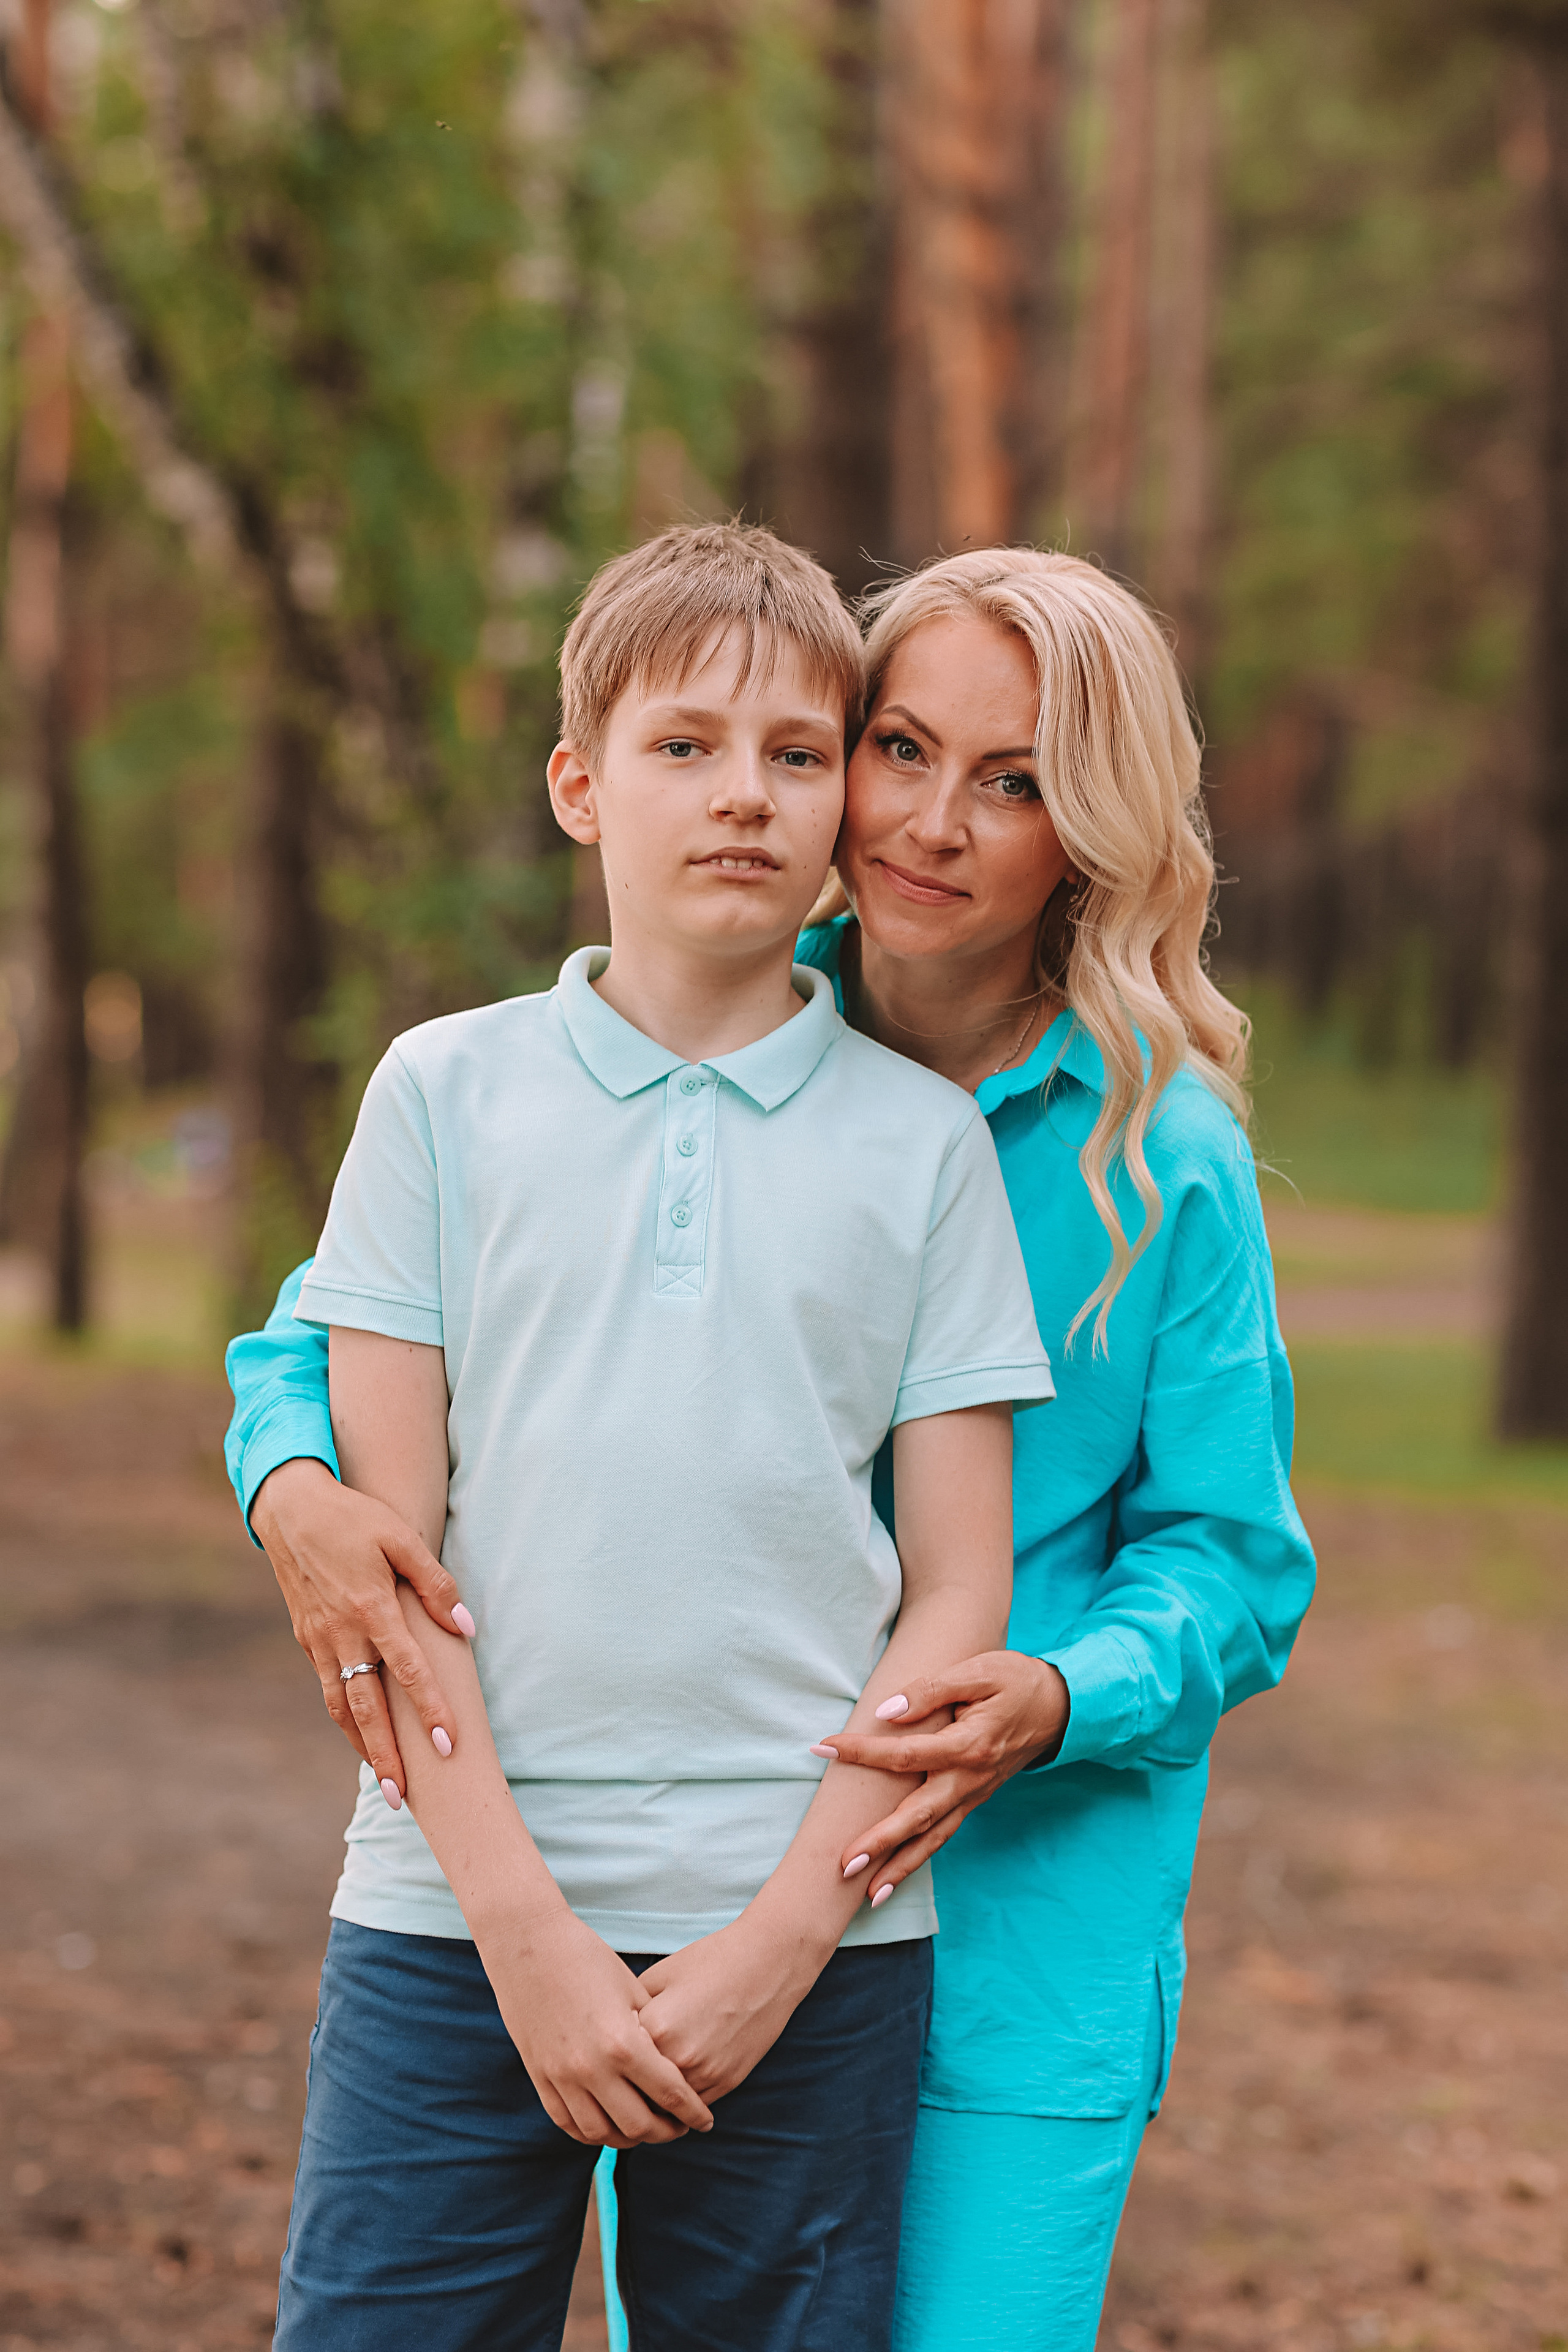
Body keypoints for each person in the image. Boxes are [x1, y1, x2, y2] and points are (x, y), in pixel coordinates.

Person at [230, 543, 1315, 2352]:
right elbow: (346, 1331)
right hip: (645, 1862)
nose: (933, 823)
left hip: (999, 1917)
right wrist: (293, 1483)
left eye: (1017, 780)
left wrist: (1060, 1691)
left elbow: (1232, 1557)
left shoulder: (1156, 1158)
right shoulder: (696, 999)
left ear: (1095, 829)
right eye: (900, 747)